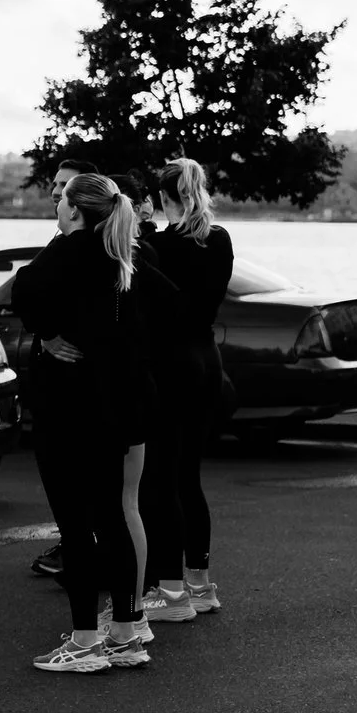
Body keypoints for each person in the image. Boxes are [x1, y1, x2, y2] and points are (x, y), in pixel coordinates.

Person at [13, 172, 172, 673]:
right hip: (114, 407)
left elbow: (23, 291)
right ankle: (126, 632)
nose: (55, 209)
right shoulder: (125, 255)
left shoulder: (68, 249)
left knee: (76, 527)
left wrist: (49, 334)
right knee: (112, 517)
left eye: (61, 202)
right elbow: (168, 309)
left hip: (68, 406)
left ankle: (84, 640)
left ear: (77, 212)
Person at [142, 157, 234, 617]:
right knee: (189, 477)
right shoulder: (218, 240)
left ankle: (170, 589)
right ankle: (200, 582)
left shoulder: (157, 245)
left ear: (162, 199)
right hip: (206, 361)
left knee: (160, 479)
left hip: (171, 364)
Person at [29, 158, 99, 582]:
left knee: (81, 486)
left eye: (64, 186)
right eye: (54, 184)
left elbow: (24, 289)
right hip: (89, 387)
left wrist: (48, 333)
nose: (55, 192)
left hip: (77, 390)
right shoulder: (79, 246)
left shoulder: (78, 247)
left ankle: (89, 630)